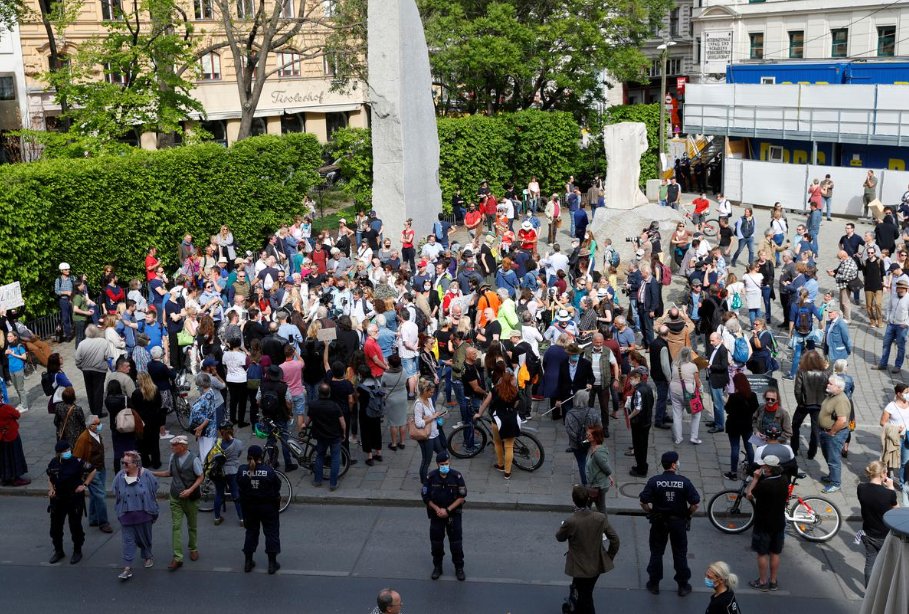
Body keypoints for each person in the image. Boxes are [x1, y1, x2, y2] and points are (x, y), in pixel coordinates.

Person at [639, 451, 701, 596]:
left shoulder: (654, 481)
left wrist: (650, 512)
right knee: (680, 554)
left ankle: (654, 583)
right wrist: (687, 514)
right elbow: (695, 503)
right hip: (678, 522)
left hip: (659, 521)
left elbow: (643, 501)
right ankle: (683, 585)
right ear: (674, 464)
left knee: (656, 552)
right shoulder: (684, 482)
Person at [555, 485, 620, 614]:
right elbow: (615, 540)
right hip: (596, 564)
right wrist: (608, 557)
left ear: (574, 500)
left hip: (579, 566)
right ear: (588, 498)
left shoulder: (571, 521)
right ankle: (574, 607)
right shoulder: (600, 518)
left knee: (586, 597)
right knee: (582, 590)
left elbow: (559, 537)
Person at [152, 435, 204, 570]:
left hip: (190, 499)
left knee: (192, 525)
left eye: (175, 445)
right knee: (176, 526)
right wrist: (153, 473)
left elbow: (201, 477)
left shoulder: (194, 460)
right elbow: (170, 473)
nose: (172, 447)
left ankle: (193, 548)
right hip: (175, 497)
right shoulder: (172, 457)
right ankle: (177, 557)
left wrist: (190, 490)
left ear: (183, 446)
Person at [743, 454, 789, 591]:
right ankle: (773, 581)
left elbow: (749, 494)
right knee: (775, 553)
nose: (762, 467)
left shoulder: (765, 485)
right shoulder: (784, 479)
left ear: (768, 469)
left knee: (762, 553)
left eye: (764, 466)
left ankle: (762, 580)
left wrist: (756, 478)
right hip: (779, 522)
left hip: (763, 523)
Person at [112, 450, 159, 580]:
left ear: (136, 464)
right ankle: (127, 567)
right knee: (128, 541)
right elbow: (115, 490)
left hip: (144, 515)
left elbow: (155, 487)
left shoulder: (146, 475)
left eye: (126, 463)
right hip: (126, 516)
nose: (124, 465)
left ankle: (147, 555)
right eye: (123, 462)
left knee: (144, 539)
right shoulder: (120, 476)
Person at [47, 439, 95, 564]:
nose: (67, 452)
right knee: (55, 528)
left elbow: (93, 470)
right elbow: (50, 477)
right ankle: (58, 551)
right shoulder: (54, 463)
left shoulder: (77, 462)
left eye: (68, 450)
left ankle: (77, 550)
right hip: (58, 500)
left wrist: (84, 485)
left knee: (75, 526)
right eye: (64, 451)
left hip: (74, 499)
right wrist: (51, 489)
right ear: (58, 453)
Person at [421, 451, 467, 581]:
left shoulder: (456, 476)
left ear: (449, 463)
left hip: (453, 515)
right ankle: (437, 567)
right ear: (437, 464)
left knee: (456, 544)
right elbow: (426, 497)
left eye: (446, 464)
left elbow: (462, 496)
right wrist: (437, 509)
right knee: (436, 544)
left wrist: (447, 510)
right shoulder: (431, 477)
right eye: (442, 464)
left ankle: (459, 568)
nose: (445, 466)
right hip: (436, 514)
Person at [237, 444, 283, 574]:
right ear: (261, 457)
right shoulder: (268, 471)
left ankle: (248, 562)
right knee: (271, 533)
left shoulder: (242, 470)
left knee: (251, 532)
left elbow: (239, 485)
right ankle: (272, 564)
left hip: (249, 508)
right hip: (268, 507)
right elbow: (277, 486)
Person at [474, 366, 521, 480]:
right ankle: (507, 472)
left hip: (497, 421)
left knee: (498, 443)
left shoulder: (495, 389)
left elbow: (485, 403)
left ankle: (500, 464)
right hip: (511, 420)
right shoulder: (515, 391)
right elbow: (516, 404)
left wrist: (479, 414)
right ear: (511, 379)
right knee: (509, 446)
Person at [856, 460, 898, 587]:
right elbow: (896, 511)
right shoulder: (889, 494)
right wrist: (891, 488)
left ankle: (869, 589)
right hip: (884, 535)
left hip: (867, 533)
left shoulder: (861, 488)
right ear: (883, 474)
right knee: (888, 564)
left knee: (870, 562)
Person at [73, 415, 112, 533]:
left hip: (101, 468)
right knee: (101, 496)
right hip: (92, 472)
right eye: (97, 423)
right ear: (90, 426)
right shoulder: (84, 438)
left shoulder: (96, 434)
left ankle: (94, 518)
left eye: (99, 422)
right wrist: (88, 469)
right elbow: (77, 458)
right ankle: (103, 522)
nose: (100, 425)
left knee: (96, 495)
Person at [305, 382, 346, 491]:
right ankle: (333, 483)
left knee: (320, 456)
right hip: (334, 436)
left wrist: (304, 426)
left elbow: (308, 421)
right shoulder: (335, 406)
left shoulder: (313, 405)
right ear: (329, 393)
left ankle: (317, 481)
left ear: (319, 393)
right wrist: (344, 433)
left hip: (320, 435)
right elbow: (342, 423)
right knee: (335, 458)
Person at [817, 375, 850, 493]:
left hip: (834, 434)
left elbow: (842, 420)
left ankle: (835, 483)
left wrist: (832, 432)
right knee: (828, 455)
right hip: (825, 432)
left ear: (839, 387)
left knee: (833, 458)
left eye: (830, 384)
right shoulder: (832, 395)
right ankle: (831, 476)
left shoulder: (841, 400)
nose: (827, 385)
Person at [723, 373, 758, 480]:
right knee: (749, 447)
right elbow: (755, 408)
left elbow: (728, 409)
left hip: (734, 426)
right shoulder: (753, 395)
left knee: (735, 448)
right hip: (747, 425)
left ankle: (733, 473)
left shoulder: (733, 397)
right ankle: (752, 471)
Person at [414, 378, 446, 484]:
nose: (432, 394)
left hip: (434, 433)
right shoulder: (418, 405)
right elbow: (419, 423)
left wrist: (438, 414)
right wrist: (433, 417)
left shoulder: (429, 400)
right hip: (426, 436)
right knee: (426, 460)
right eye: (431, 392)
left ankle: (442, 475)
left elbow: (432, 413)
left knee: (443, 455)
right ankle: (424, 483)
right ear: (425, 391)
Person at [211, 425, 244, 525]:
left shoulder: (217, 443)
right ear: (232, 431)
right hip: (233, 470)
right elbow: (239, 454)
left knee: (219, 494)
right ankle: (242, 518)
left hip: (220, 472)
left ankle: (217, 518)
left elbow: (213, 456)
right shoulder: (238, 443)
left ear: (222, 432)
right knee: (235, 494)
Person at [875, 278, 909, 373]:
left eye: (901, 289)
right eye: (898, 288)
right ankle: (883, 364)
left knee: (901, 347)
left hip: (902, 327)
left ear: (905, 289)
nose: (898, 290)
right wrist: (888, 318)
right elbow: (888, 308)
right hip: (891, 324)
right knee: (886, 344)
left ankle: (897, 366)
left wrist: (906, 324)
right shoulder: (893, 296)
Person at [669, 347, 701, 445]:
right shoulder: (693, 366)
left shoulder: (674, 364)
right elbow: (697, 381)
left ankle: (678, 438)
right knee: (696, 414)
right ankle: (694, 437)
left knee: (677, 414)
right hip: (688, 391)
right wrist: (700, 390)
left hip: (674, 389)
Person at [626, 366, 653, 478]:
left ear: (636, 378)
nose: (630, 381)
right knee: (643, 445)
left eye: (630, 379)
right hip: (646, 420)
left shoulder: (638, 391)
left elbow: (637, 408)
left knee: (638, 446)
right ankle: (642, 465)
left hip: (638, 422)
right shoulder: (648, 387)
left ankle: (641, 469)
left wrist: (629, 416)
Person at [585, 424, 614, 513]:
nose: (586, 436)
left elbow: (607, 468)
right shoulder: (593, 447)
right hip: (594, 484)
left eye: (589, 435)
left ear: (595, 437)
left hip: (598, 486)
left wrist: (609, 475)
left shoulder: (598, 453)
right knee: (585, 506)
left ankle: (603, 525)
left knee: (600, 509)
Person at [0, 403, 29, 486]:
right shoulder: (5, 408)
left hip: (1, 436)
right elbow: (17, 414)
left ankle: (5, 477)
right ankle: (15, 478)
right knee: (14, 456)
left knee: (4, 458)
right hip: (11, 435)